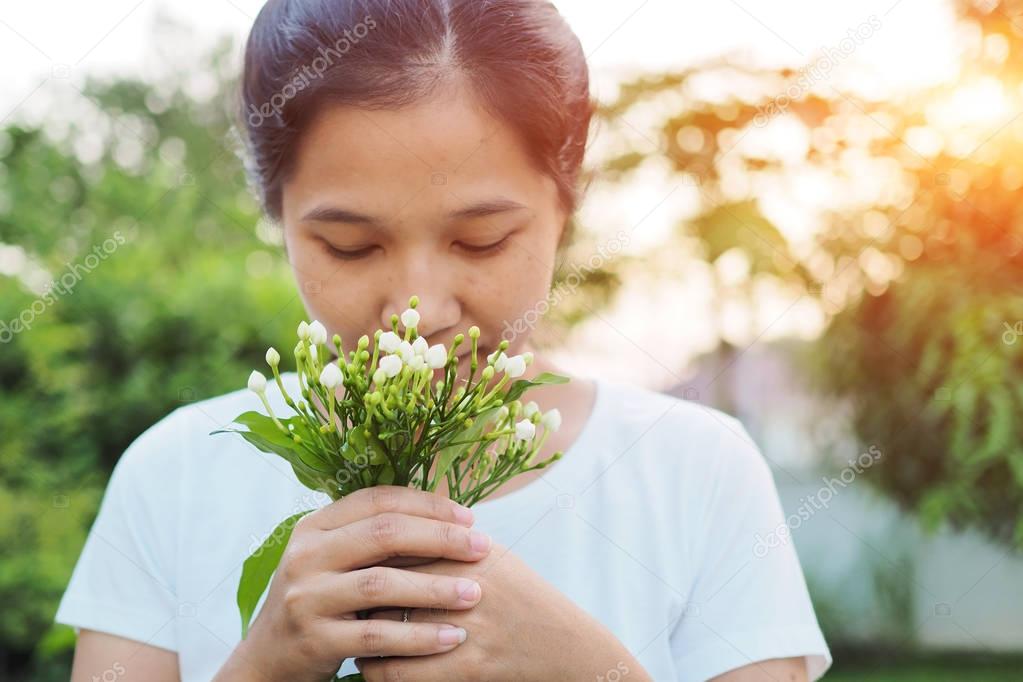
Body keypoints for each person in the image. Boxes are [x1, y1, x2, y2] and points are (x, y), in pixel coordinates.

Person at [56, 0, 832, 679]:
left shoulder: (695, 473)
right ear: (278, 215)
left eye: (482, 240)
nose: (418, 313)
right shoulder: (176, 477)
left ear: (566, 203)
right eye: (351, 247)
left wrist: (585, 669)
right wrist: (266, 667)